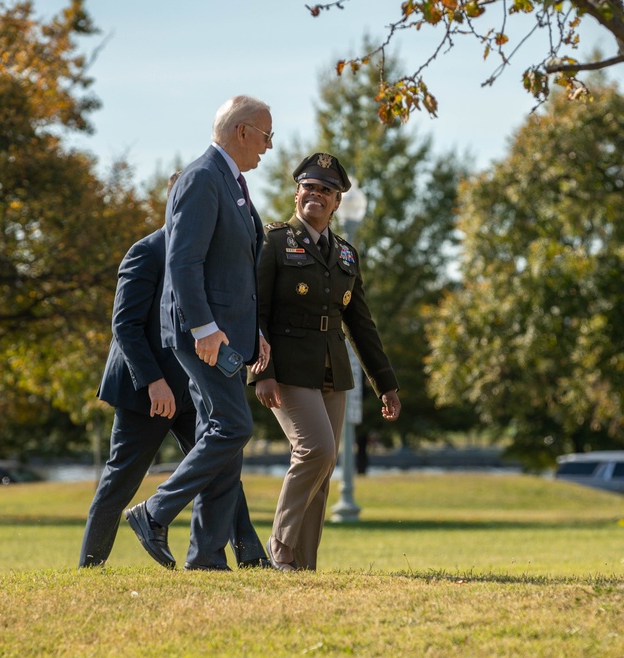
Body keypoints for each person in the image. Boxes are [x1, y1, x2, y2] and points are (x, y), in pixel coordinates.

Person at [79, 174, 269, 568]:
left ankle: (251, 557)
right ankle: (89, 567)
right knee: (120, 482)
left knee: (222, 465)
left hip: (195, 385)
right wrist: (154, 383)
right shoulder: (146, 252)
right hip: (145, 392)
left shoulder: (208, 255)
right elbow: (126, 327)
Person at [124, 95, 272, 571]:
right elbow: (182, 262)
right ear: (242, 131)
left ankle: (206, 557)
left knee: (219, 436)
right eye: (266, 136)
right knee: (234, 427)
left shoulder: (233, 184)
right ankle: (154, 512)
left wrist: (257, 332)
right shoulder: (201, 177)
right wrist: (205, 328)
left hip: (229, 335)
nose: (269, 147)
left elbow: (236, 267)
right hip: (203, 335)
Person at [250, 152, 401, 571]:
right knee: (315, 450)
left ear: (337, 202)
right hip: (287, 367)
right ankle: (279, 546)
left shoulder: (347, 255)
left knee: (324, 465)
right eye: (309, 187)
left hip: (333, 369)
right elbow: (255, 311)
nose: (316, 195)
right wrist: (261, 372)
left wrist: (385, 383)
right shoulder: (274, 241)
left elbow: (361, 324)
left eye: (326, 190)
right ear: (297, 193)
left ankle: (302, 565)